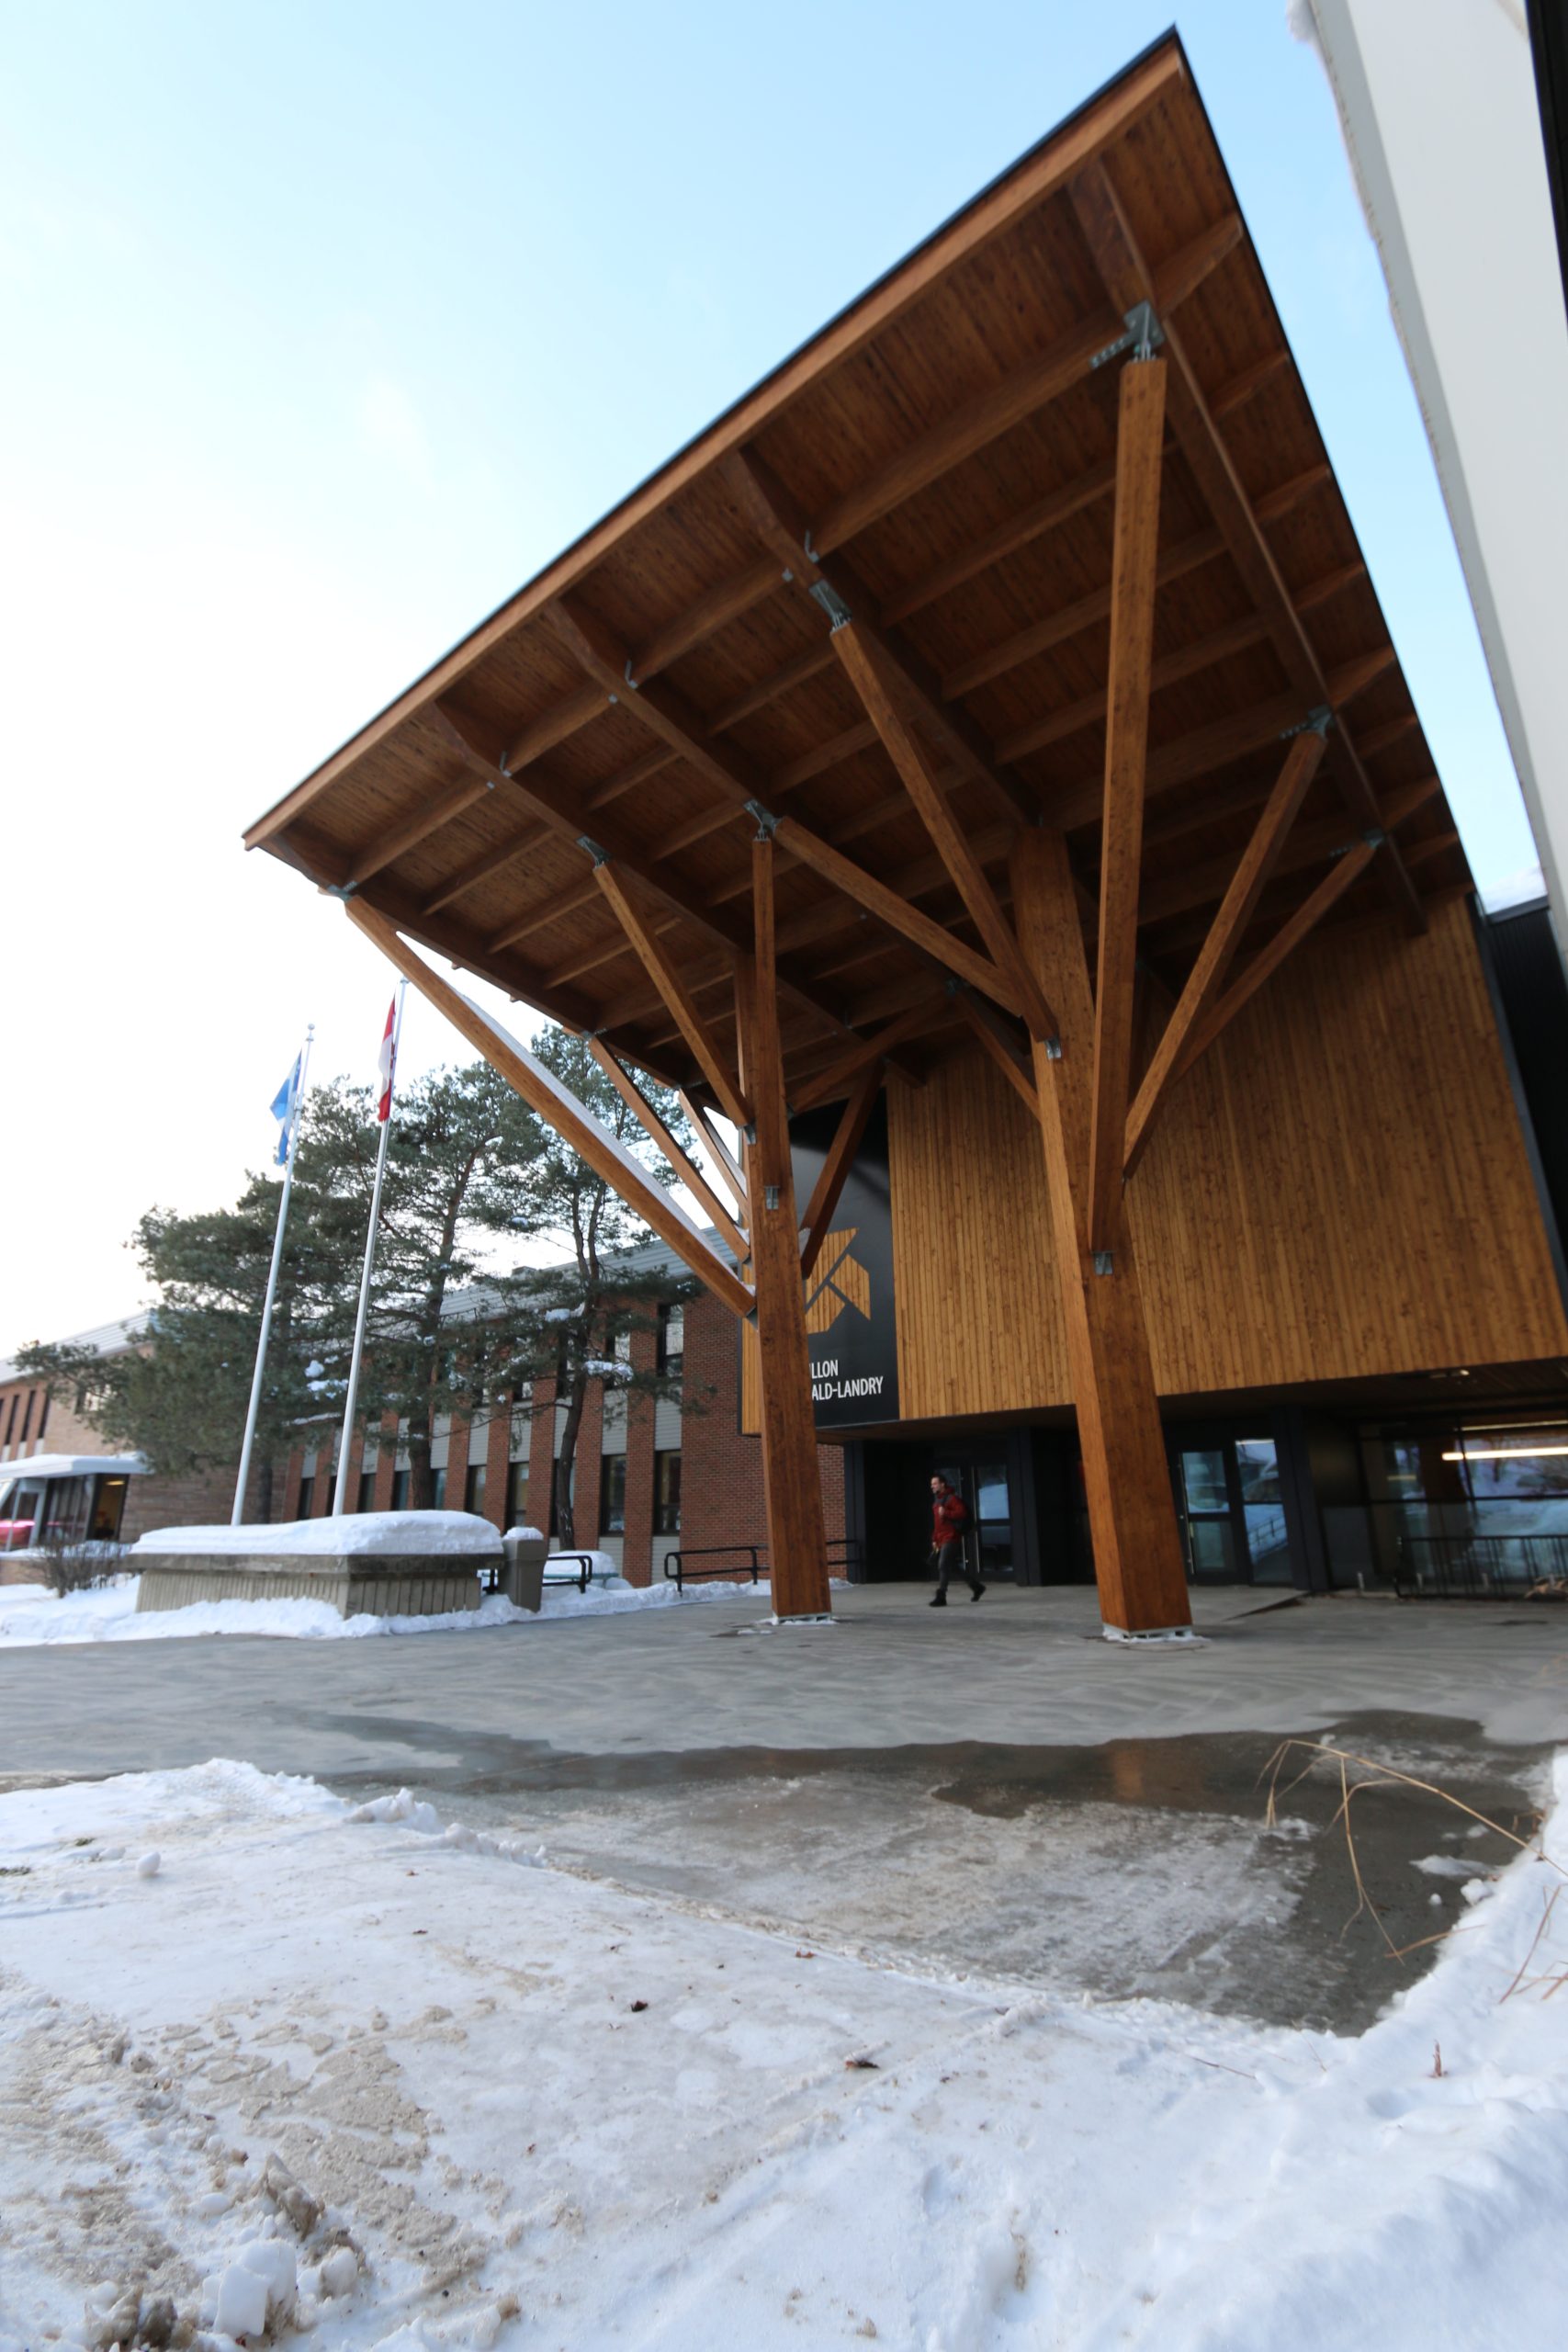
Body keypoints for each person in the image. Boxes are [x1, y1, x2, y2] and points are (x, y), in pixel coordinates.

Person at [927, 1473, 985, 1605]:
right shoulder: (936, 1502)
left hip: (952, 1537)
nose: (932, 1486)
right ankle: (977, 1587)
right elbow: (938, 1523)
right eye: (931, 1484)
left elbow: (962, 1513)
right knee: (952, 1566)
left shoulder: (952, 1499)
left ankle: (941, 1596)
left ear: (943, 1484)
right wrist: (934, 1538)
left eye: (935, 1483)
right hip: (941, 1538)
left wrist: (946, 1512)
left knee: (942, 1564)